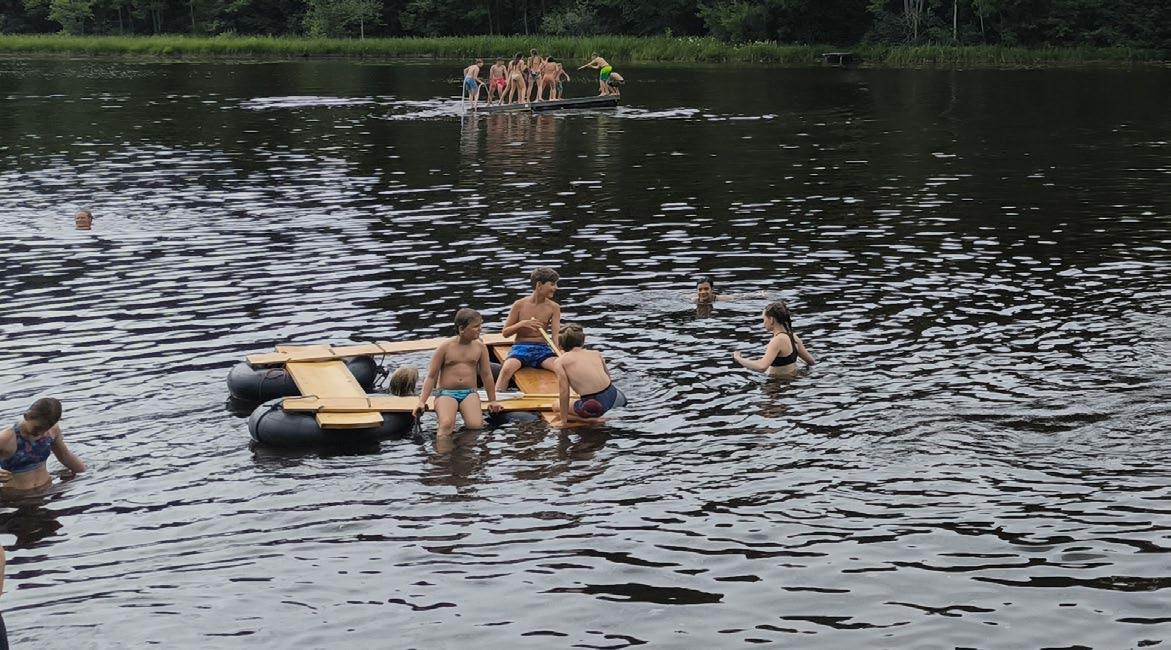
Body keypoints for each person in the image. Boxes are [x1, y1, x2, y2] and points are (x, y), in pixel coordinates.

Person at [415, 309, 501, 439]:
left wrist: (493, 400)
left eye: (480, 325)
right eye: (475, 326)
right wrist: (422, 401)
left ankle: (465, 450)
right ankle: (443, 450)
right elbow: (431, 376)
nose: (480, 329)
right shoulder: (445, 348)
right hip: (446, 393)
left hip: (469, 392)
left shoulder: (480, 347)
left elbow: (486, 375)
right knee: (446, 424)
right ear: (461, 329)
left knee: (476, 426)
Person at [494, 267, 561, 393]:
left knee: (560, 368)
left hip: (542, 350)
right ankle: (497, 397)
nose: (556, 288)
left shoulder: (554, 307)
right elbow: (505, 333)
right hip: (520, 348)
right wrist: (522, 324)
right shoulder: (519, 305)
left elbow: (555, 335)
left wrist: (560, 353)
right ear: (539, 285)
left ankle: (569, 396)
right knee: (507, 369)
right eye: (552, 284)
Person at [0, 398, 86, 492]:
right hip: (16, 495)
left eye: (46, 429)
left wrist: (85, 474)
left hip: (47, 489)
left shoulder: (52, 431)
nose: (40, 433)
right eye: (37, 428)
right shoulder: (6, 438)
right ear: (27, 416)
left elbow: (65, 456)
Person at [553, 324, 621, 426]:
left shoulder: (560, 362)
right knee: (579, 400)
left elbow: (564, 391)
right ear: (583, 341)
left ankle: (588, 420)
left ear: (560, 346)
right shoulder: (596, 353)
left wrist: (563, 420)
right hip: (613, 396)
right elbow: (608, 377)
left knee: (555, 406)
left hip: (594, 405)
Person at [733, 301, 816, 378]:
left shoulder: (777, 340)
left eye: (764, 319)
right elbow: (811, 361)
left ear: (771, 320)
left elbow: (761, 367)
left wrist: (739, 359)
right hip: (791, 383)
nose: (763, 323)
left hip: (776, 385)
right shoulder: (793, 337)